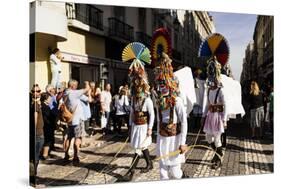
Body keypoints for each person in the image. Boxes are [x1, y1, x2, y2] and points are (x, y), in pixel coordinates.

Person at [122, 42, 155, 181]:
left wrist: (150, 128)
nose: (138, 92)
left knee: (138, 149)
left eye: (140, 90)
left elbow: (152, 114)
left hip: (144, 127)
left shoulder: (147, 100)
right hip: (136, 126)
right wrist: (130, 125)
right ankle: (150, 163)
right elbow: (131, 113)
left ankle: (131, 171)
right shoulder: (134, 100)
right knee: (141, 147)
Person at [155, 53, 188, 180]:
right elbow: (158, 122)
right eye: (160, 84)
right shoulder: (158, 102)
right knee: (163, 174)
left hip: (174, 141)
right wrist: (157, 141)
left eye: (164, 84)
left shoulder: (177, 101)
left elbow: (184, 122)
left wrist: (183, 143)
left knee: (175, 173)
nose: (161, 87)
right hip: (162, 141)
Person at [201, 57, 227, 169]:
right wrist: (203, 116)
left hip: (217, 117)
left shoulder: (221, 91)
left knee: (217, 139)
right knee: (208, 138)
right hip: (210, 117)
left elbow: (226, 105)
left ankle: (218, 159)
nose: (211, 82)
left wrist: (224, 119)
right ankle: (218, 153)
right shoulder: (209, 90)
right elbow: (207, 104)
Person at [63, 79, 90, 163]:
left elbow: (87, 99)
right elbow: (87, 89)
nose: (77, 87)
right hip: (77, 119)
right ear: (72, 86)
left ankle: (66, 155)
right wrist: (87, 83)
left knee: (69, 138)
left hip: (69, 119)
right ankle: (75, 156)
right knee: (77, 138)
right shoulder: (73, 93)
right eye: (76, 85)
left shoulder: (65, 93)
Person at [30, 84, 44, 185]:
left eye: (38, 91)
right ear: (32, 92)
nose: (37, 93)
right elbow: (35, 119)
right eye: (35, 91)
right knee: (35, 158)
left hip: (38, 134)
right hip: (37, 134)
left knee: (34, 157)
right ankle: (33, 179)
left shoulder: (35, 103)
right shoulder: (35, 105)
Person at [40, 92, 55, 160]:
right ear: (45, 99)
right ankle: (45, 155)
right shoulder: (45, 107)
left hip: (47, 126)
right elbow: (48, 117)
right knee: (47, 141)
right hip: (47, 126)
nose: (50, 100)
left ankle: (44, 154)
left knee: (47, 140)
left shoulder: (44, 106)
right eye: (49, 98)